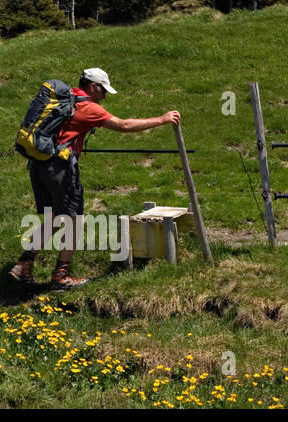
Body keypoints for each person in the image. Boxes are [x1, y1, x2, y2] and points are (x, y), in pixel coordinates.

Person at [11, 68, 180, 289]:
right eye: (103, 91)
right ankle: (61, 276)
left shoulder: (65, 99)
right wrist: (162, 119)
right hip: (60, 169)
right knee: (75, 221)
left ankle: (23, 264)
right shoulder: (88, 107)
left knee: (54, 218)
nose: (105, 96)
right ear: (93, 87)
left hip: (38, 164)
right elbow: (123, 125)